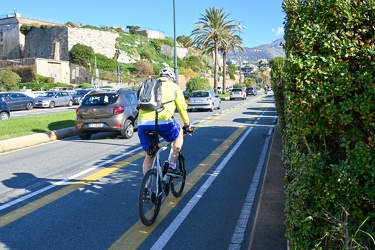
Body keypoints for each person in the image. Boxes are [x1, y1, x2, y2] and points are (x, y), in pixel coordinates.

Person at [137, 68, 192, 176]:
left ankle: (146, 190)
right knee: (179, 133)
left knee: (149, 155)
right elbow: (181, 108)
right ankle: (172, 166)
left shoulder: (148, 85)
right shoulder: (174, 87)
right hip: (163, 121)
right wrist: (186, 124)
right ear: (172, 79)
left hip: (142, 123)